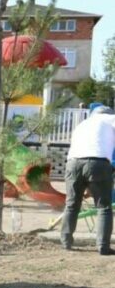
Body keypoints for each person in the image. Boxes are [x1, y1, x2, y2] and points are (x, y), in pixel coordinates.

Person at [61, 105, 115, 255]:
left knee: (72, 204)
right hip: (97, 163)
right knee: (103, 206)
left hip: (72, 163)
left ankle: (66, 242)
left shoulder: (82, 124)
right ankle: (103, 246)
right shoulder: (110, 119)